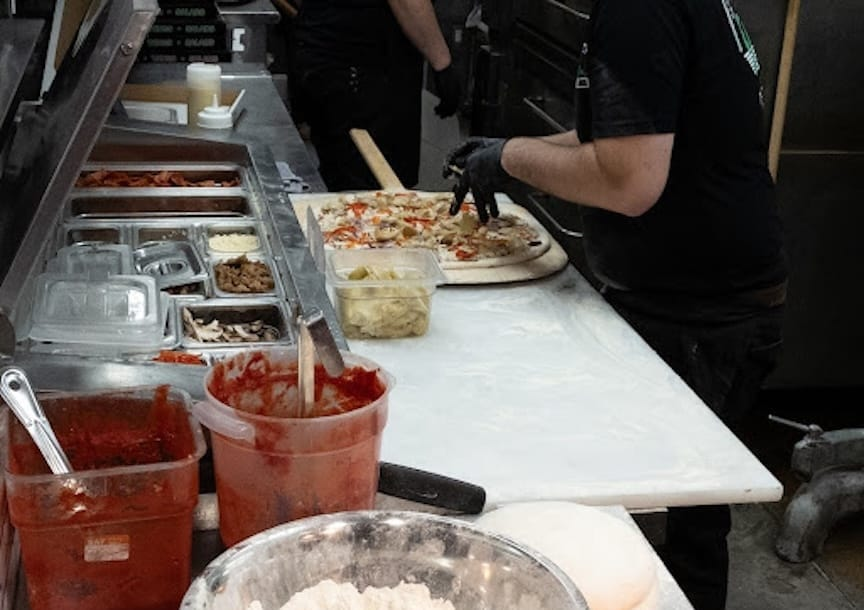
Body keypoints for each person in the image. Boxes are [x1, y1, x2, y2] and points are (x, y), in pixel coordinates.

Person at [444, 1, 787, 609]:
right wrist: (512, 150)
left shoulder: (637, 9)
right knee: (685, 514)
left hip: (698, 315)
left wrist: (508, 159)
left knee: (667, 530)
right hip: (711, 297)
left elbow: (630, 182)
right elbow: (622, 134)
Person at [291, 0, 461, 191]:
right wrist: (442, 63)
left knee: (342, 175)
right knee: (371, 185)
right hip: (361, 71)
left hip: (326, 53)